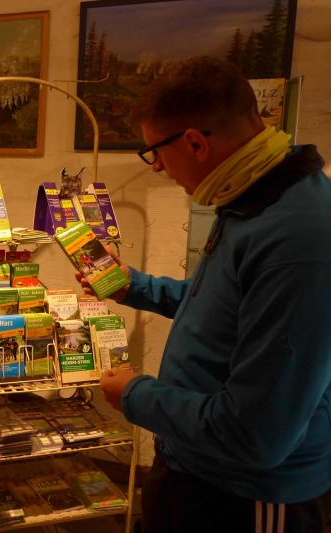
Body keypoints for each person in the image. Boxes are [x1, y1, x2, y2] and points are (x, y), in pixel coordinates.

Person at [75, 56, 331, 532]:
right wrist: (136, 287)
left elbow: (257, 435)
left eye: (154, 152)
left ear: (194, 141)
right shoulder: (251, 199)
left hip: (245, 495)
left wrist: (135, 394)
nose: (157, 167)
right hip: (195, 469)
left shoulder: (299, 237)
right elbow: (222, 308)